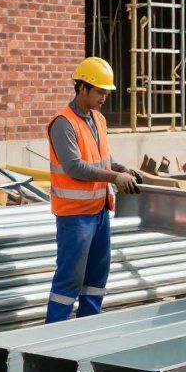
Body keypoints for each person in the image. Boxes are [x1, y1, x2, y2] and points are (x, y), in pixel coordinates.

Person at [47, 56, 141, 322]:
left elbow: (102, 159)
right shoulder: (63, 123)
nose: (104, 98)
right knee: (69, 281)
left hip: (99, 212)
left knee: (96, 280)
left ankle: (89, 331)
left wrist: (121, 170)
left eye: (106, 93)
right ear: (82, 88)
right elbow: (75, 167)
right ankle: (53, 339)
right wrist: (114, 177)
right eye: (100, 91)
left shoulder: (98, 119)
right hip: (75, 216)